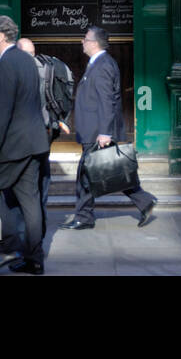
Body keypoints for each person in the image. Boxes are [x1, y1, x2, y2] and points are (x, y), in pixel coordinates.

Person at [60, 25, 156, 230]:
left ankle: (84, 217)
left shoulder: (102, 65)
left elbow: (107, 100)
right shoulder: (98, 63)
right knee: (114, 171)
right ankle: (144, 200)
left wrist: (104, 132)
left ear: (94, 43)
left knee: (86, 175)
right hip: (96, 130)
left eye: (85, 39)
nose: (82, 42)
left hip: (97, 132)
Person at [0, 15, 48, 274]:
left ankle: (9, 247)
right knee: (29, 199)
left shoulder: (7, 63)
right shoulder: (26, 59)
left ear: (1, 36)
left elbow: (3, 111)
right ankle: (35, 259)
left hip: (13, 144)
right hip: (34, 141)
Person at [16, 37, 74, 232]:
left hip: (30, 131)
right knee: (43, 171)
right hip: (47, 130)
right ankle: (40, 214)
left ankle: (31, 221)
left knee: (29, 177)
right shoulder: (45, 65)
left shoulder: (23, 71)